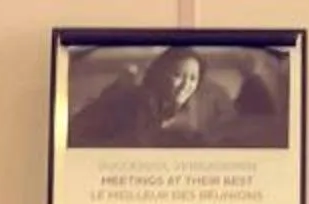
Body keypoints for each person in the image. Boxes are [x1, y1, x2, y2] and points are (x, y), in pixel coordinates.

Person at [74, 45, 236, 146]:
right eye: (178, 75)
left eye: (193, 78)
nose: (187, 85)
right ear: (160, 74)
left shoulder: (165, 109)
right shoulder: (139, 101)